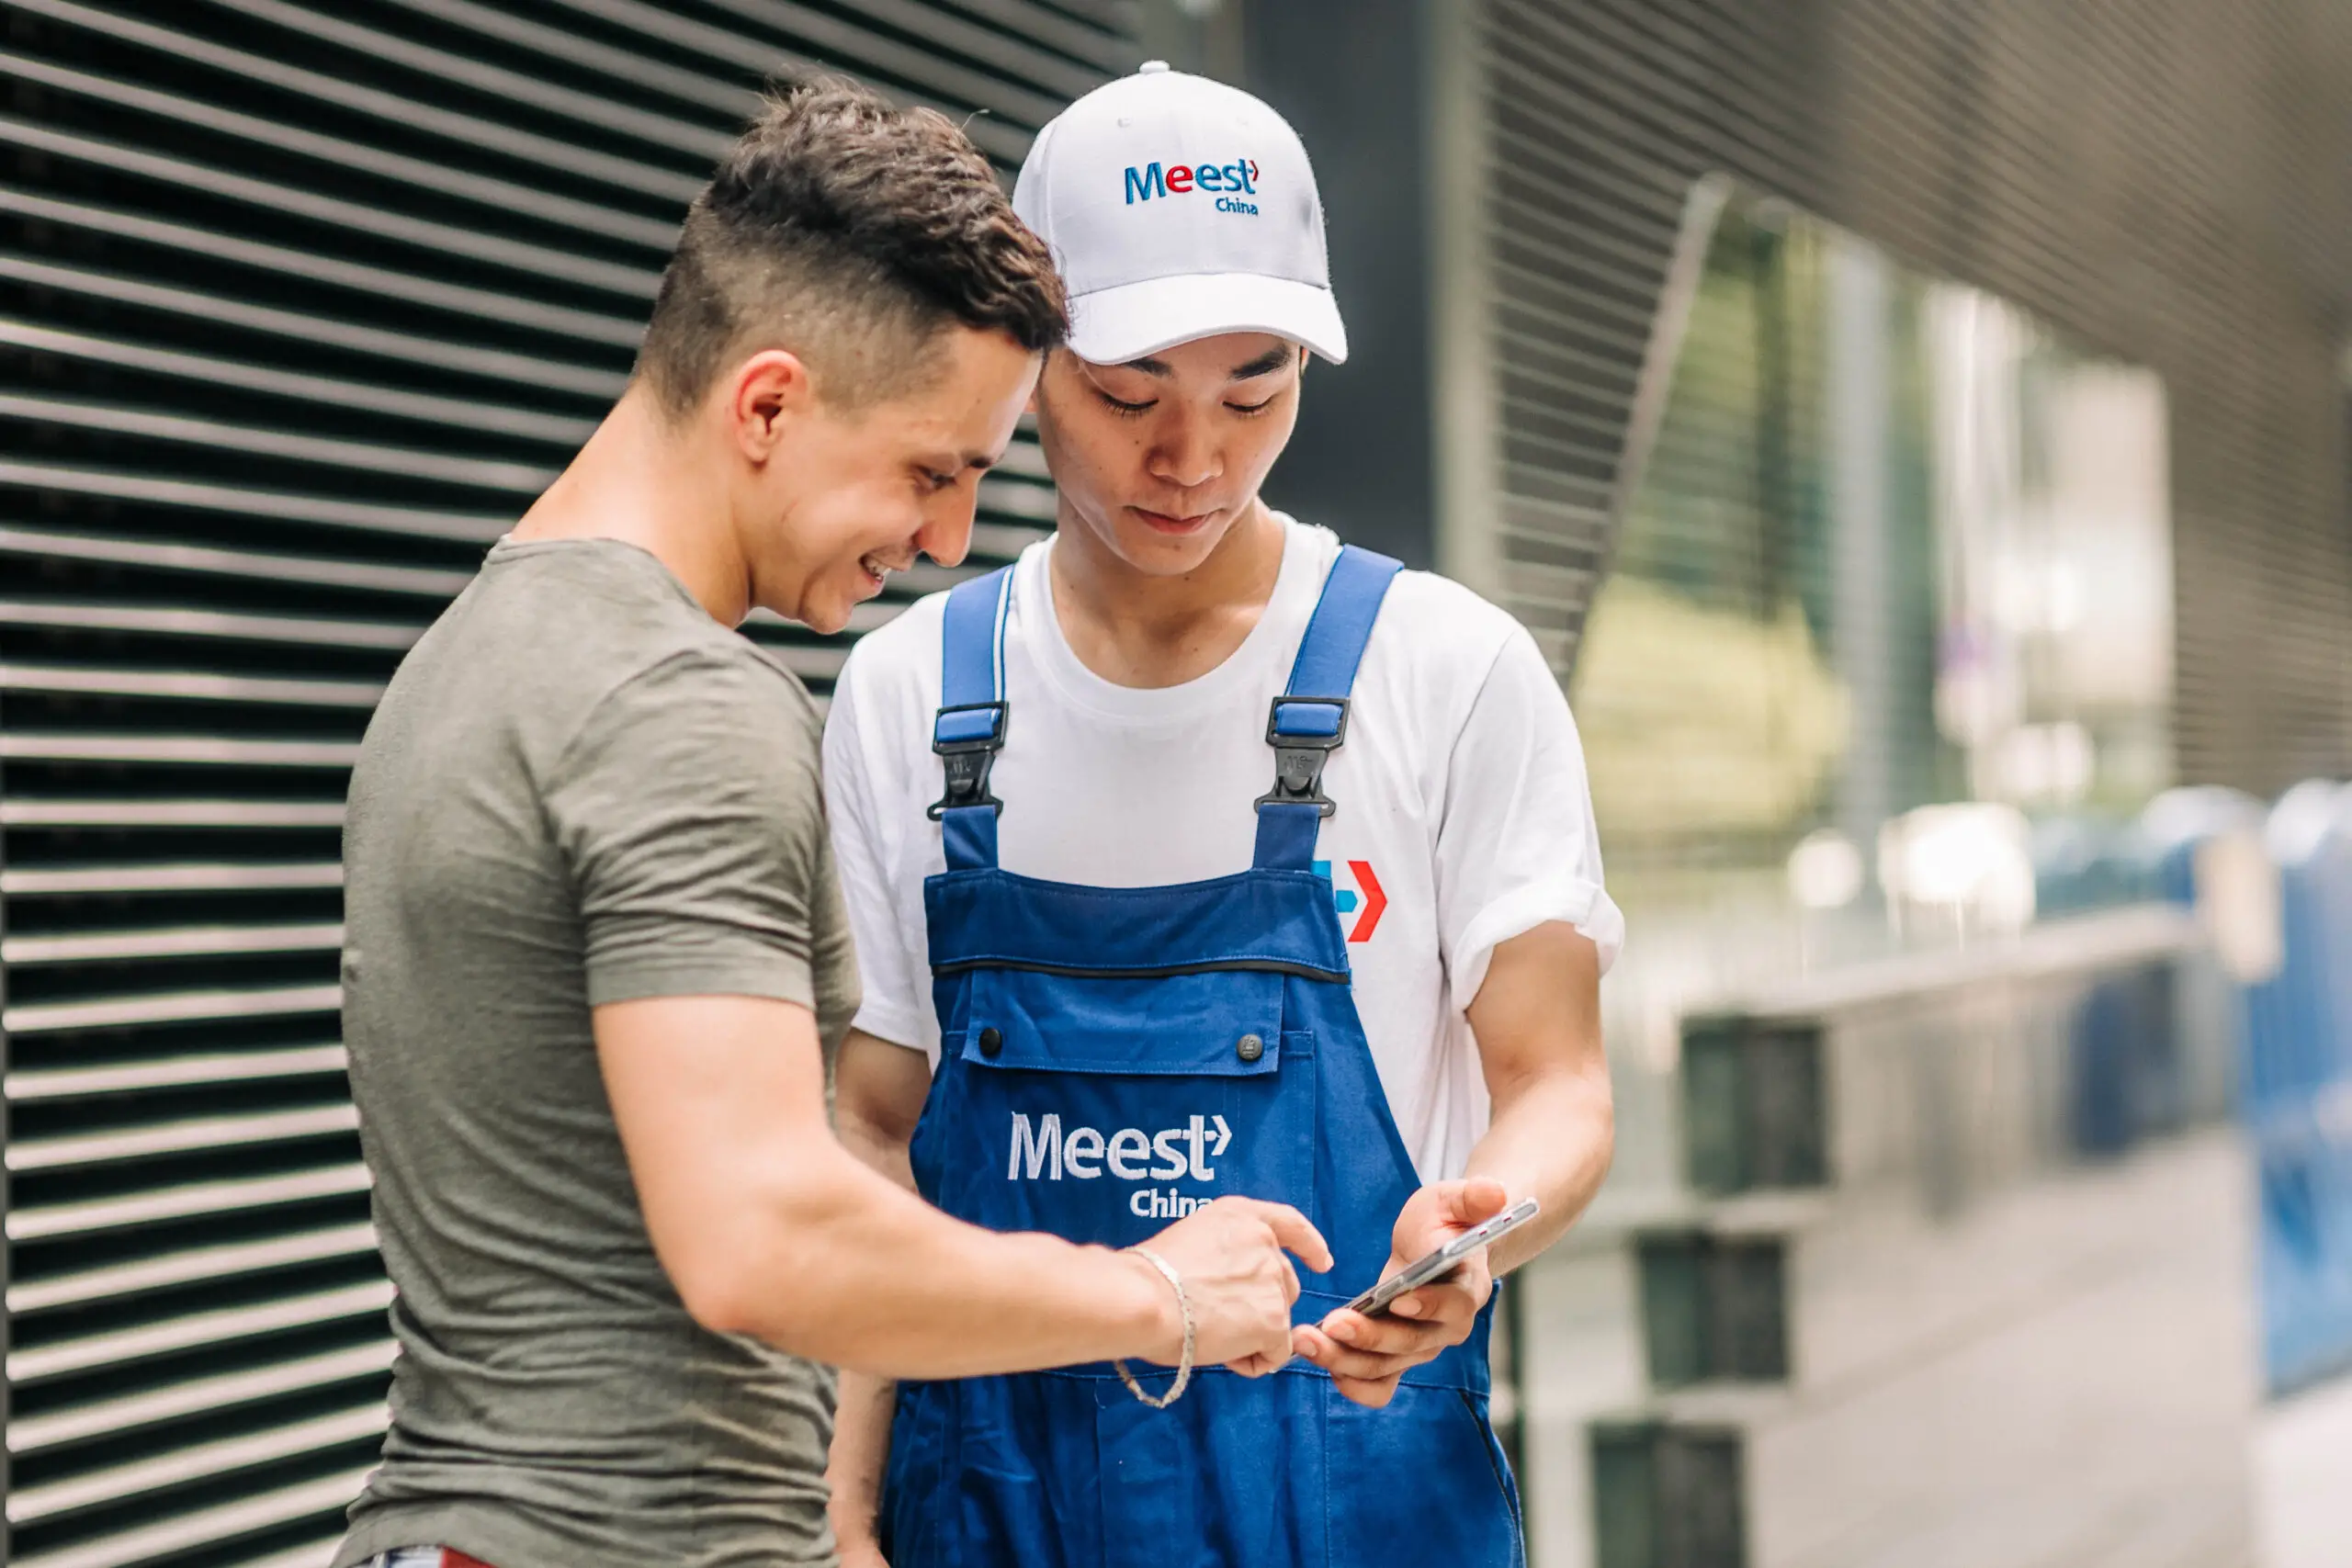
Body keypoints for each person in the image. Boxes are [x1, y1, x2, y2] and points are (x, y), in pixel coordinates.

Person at [334, 78, 1330, 1568]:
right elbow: (762, 1237)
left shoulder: (467, 657)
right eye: (933, 473)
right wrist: (1162, 1298)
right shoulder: (676, 703)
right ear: (770, 403)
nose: (941, 540)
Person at [821, 62, 1622, 1568]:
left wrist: (1479, 1227)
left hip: (1360, 1507)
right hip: (987, 1516)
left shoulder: (1446, 672)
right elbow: (875, 1130)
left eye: (1255, 390)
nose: (1194, 458)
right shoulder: (909, 697)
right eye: (1132, 397)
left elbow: (1561, 1077)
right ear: (1027, 362)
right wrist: (846, 1510)